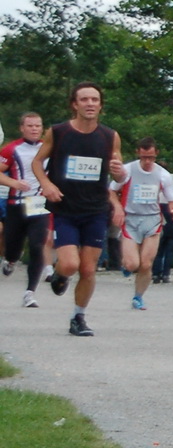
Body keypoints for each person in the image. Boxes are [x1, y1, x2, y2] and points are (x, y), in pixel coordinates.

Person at [31, 82, 126, 336]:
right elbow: (38, 162)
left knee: (87, 268)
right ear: (75, 104)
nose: (90, 104)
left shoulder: (109, 136)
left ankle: (78, 317)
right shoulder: (59, 132)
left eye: (95, 99)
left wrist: (120, 172)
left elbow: (119, 174)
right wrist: (46, 183)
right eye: (84, 99)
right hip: (65, 208)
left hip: (95, 209)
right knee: (71, 264)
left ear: (101, 105)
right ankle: (61, 276)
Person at [110, 137, 173, 310]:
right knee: (133, 264)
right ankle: (126, 265)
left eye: (151, 157)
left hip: (152, 220)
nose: (148, 161)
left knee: (146, 263)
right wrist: (117, 208)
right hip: (131, 219)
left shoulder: (163, 175)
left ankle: (138, 297)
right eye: (144, 158)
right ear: (138, 154)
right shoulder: (127, 170)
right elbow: (111, 191)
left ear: (156, 154)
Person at [1, 112, 51, 307]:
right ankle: (11, 260)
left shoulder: (49, 149)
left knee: (38, 246)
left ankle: (30, 292)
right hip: (16, 204)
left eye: (38, 126)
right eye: (30, 126)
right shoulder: (11, 149)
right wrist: (13, 182)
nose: (34, 129)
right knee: (12, 247)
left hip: (38, 204)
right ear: (22, 128)